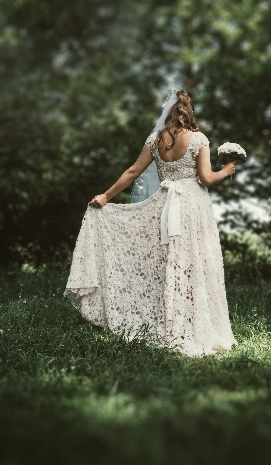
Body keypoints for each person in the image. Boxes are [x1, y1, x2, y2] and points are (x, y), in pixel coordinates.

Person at [64, 90, 237, 356]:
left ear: (166, 112)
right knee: (194, 261)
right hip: (191, 207)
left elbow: (133, 171)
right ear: (188, 110)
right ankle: (191, 323)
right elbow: (206, 179)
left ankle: (170, 321)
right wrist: (225, 171)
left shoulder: (155, 140)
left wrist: (105, 196)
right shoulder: (199, 139)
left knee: (167, 260)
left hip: (165, 203)